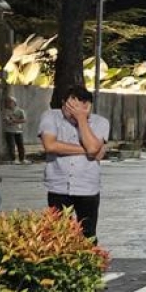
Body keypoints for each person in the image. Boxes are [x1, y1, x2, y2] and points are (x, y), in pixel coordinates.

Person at [38, 85, 109, 239]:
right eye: (70, 106)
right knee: (58, 233)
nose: (73, 112)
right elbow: (50, 145)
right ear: (63, 103)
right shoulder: (51, 116)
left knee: (88, 233)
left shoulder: (100, 122)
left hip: (87, 187)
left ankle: (90, 262)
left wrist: (81, 118)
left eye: (79, 107)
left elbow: (93, 148)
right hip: (58, 186)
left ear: (88, 107)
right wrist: (89, 151)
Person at [3, 97, 26, 163]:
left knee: (20, 145)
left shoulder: (20, 111)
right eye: (7, 102)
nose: (8, 103)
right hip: (9, 131)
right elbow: (7, 121)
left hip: (18, 131)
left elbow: (24, 120)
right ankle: (13, 160)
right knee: (11, 146)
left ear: (14, 103)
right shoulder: (5, 111)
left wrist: (14, 120)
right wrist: (14, 121)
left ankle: (22, 159)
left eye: (10, 102)